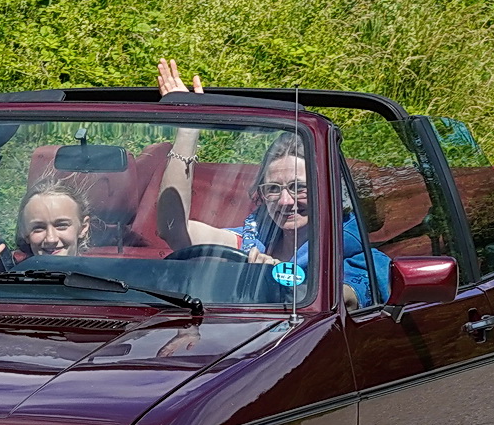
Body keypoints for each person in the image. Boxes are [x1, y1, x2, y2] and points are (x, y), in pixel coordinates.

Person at [154, 58, 390, 307]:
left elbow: (342, 303)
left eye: (299, 187)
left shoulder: (361, 258)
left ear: (329, 192)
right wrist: (188, 128)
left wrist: (282, 280)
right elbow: (172, 228)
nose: (285, 201)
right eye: (273, 189)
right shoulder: (252, 238)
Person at [0, 179, 91, 283]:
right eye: (38, 228)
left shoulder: (106, 278)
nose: (51, 238)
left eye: (61, 226)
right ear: (24, 232)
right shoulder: (4, 275)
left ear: (83, 227)